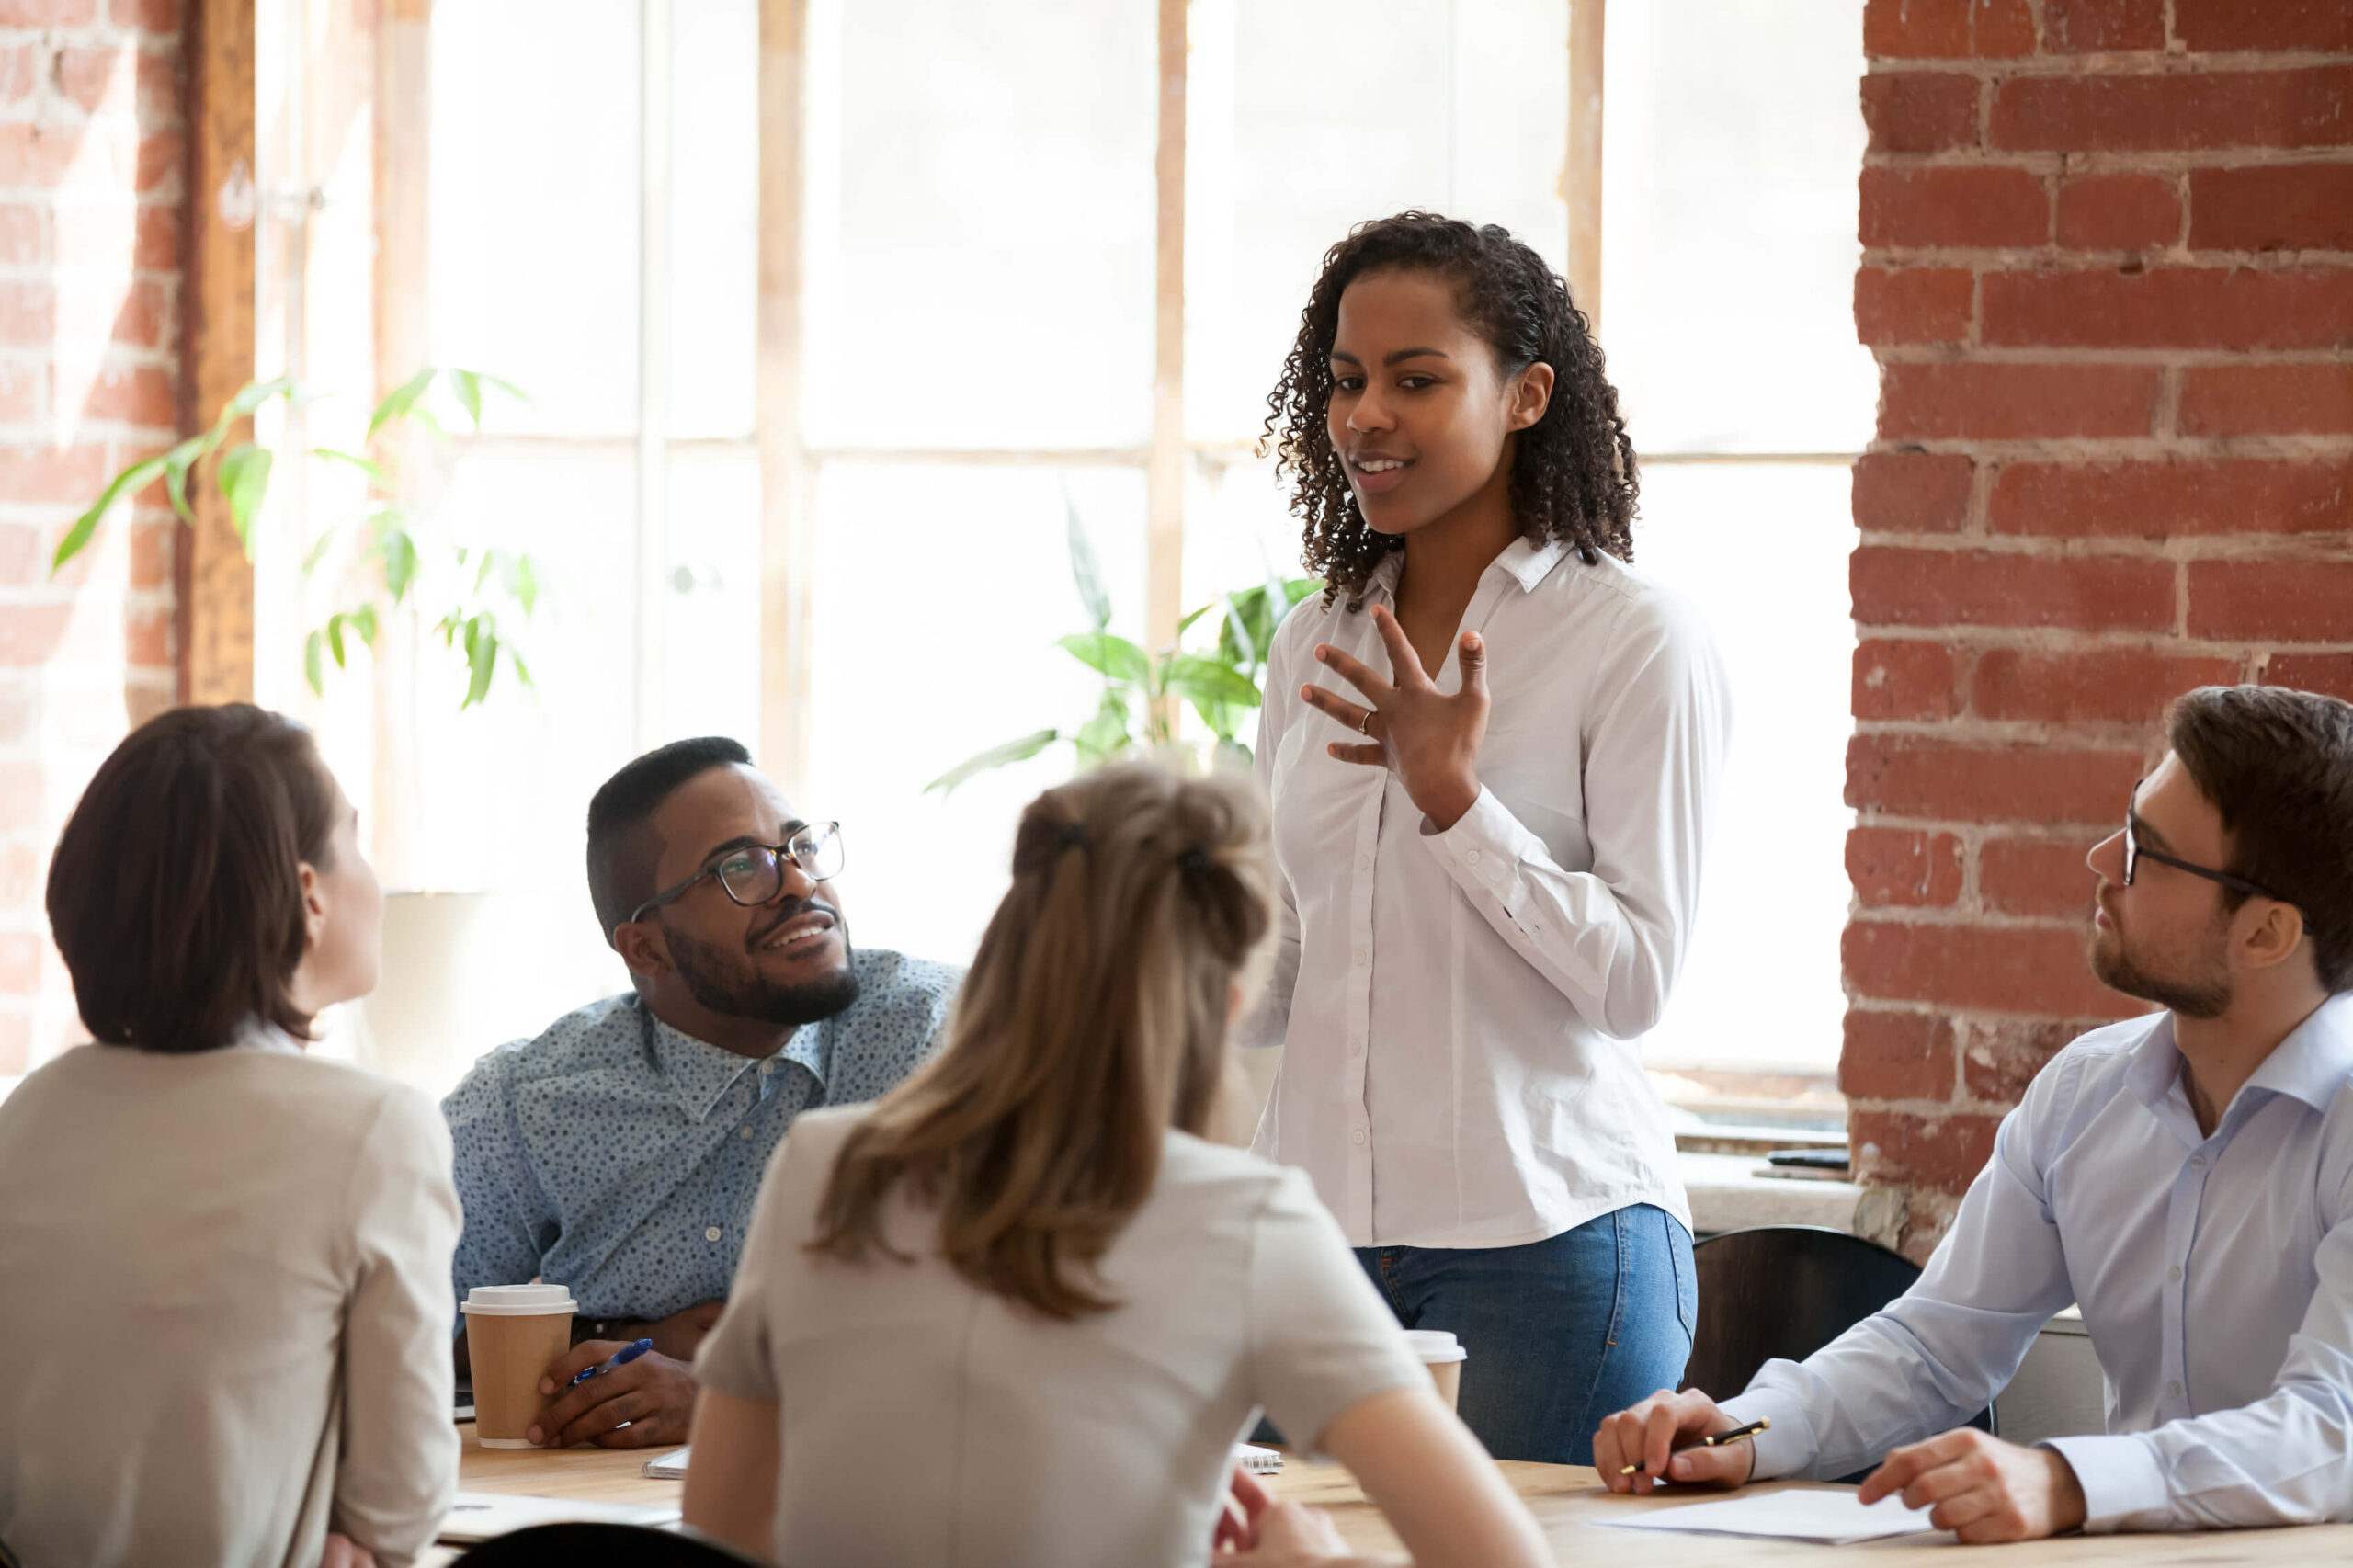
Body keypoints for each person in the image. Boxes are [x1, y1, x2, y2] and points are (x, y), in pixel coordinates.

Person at [680, 762, 1552, 1568]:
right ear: (1230, 1005)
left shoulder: (824, 1169)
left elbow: (721, 1533)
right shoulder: (1247, 1223)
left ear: (1009, 956)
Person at [1597, 684, 2353, 1540]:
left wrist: (2067, 1482)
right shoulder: (2085, 1093)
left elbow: (2335, 1428)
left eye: (2146, 851)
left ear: (2266, 935)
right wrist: (1752, 1428)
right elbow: (1935, 1346)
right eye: (2126, 823)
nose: (2102, 860)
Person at [1245, 210, 1731, 1465]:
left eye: (1417, 380)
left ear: (1524, 395)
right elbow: (1281, 962)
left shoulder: (1632, 640)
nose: (1365, 417)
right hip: (1311, 1247)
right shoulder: (1316, 637)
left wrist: (1455, 801)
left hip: (1548, 1249)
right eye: (1346, 382)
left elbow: (1634, 981)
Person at [0, 705, 458, 1568]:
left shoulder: (25, 1119)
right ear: (309, 895)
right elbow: (400, 1505)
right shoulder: (376, 1131)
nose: (377, 876)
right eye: (354, 840)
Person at [443, 736, 960, 1450]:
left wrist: (719, 1391)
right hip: (582, 1507)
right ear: (645, 948)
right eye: (739, 867)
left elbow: (1006, 1323)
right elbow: (400, 1321)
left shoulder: (942, 1039)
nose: (800, 885)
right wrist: (621, 1339)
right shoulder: (531, 1100)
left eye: (799, 847)